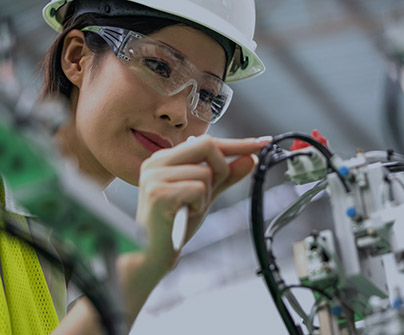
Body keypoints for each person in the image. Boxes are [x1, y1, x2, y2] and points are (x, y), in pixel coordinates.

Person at [0, 0, 270, 334]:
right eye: (158, 65)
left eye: (205, 95)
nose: (180, 114)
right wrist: (143, 264)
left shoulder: (97, 258)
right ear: (76, 58)